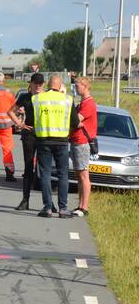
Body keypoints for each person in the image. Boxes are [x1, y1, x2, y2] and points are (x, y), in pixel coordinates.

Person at [34, 74, 77, 218]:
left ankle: (47, 208)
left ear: (48, 85)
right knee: (63, 174)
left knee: (45, 174)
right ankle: (63, 209)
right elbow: (75, 122)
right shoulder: (68, 100)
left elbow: (31, 119)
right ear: (60, 86)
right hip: (62, 142)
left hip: (44, 141)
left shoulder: (38, 99)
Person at [8, 73, 45, 210]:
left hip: (43, 134)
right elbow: (10, 112)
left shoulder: (46, 97)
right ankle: (25, 200)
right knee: (28, 167)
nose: (38, 86)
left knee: (43, 168)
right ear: (31, 83)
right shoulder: (25, 97)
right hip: (29, 134)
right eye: (36, 83)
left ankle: (48, 203)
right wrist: (20, 123)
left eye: (40, 83)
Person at [69, 76, 96, 217]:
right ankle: (80, 205)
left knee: (84, 175)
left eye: (77, 85)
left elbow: (76, 120)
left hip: (82, 142)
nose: (76, 88)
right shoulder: (83, 103)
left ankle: (84, 207)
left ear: (84, 86)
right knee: (79, 175)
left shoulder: (88, 104)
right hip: (76, 140)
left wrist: (75, 121)